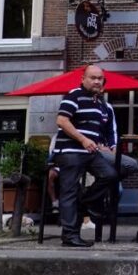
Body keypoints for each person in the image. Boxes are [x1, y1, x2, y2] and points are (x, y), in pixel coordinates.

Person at [53, 65, 119, 247]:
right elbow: (62, 120)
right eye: (93, 78)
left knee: (110, 175)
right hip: (71, 152)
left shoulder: (99, 102)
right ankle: (69, 235)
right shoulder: (74, 95)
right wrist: (82, 139)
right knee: (69, 191)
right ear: (83, 79)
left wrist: (106, 145)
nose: (97, 81)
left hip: (91, 153)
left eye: (100, 78)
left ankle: (83, 204)